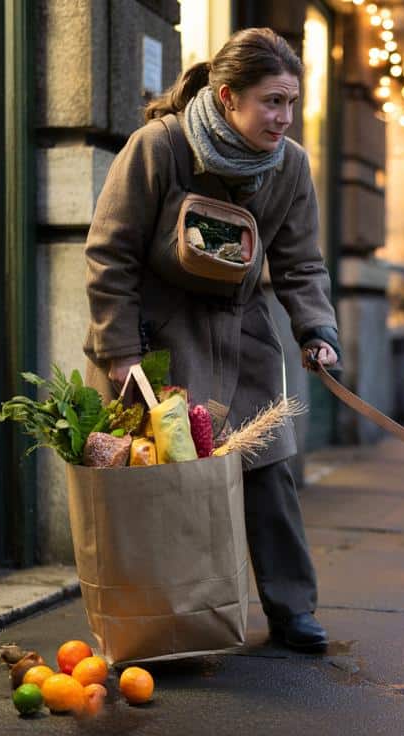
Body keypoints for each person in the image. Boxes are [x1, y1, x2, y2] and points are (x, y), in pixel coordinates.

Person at [83, 28, 339, 653]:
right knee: (169, 484)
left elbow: (301, 263)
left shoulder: (292, 166)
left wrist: (315, 332)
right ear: (227, 98)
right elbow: (109, 255)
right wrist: (120, 351)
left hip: (247, 335)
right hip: (160, 341)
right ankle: (165, 613)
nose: (283, 118)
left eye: (290, 103)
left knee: (269, 472)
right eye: (271, 102)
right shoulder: (160, 147)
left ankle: (291, 609)